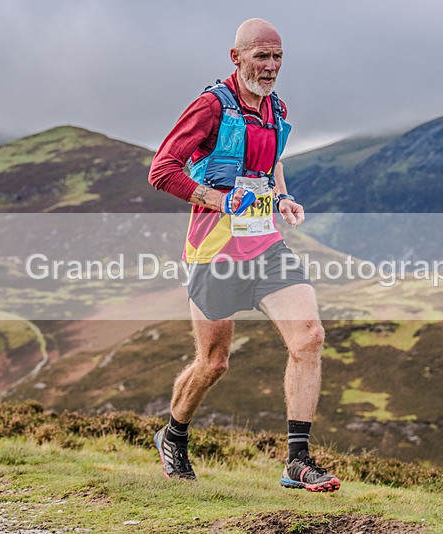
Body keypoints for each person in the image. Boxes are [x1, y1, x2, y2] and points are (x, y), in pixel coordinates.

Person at [148, 18, 340, 492]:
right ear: (236, 58)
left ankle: (297, 461)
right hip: (214, 248)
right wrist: (218, 200)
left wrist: (282, 199)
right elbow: (161, 170)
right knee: (213, 363)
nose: (271, 67)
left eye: (277, 58)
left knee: (309, 337)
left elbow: (270, 164)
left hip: (266, 244)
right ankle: (173, 435)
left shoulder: (276, 108)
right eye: (261, 56)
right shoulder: (211, 106)